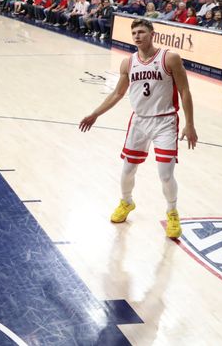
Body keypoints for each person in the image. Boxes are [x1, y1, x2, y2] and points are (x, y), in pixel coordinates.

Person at [79, 18, 197, 239]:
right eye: (134, 33)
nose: (137, 36)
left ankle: (172, 212)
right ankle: (126, 202)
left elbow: (185, 91)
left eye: (142, 32)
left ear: (153, 34)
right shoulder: (128, 63)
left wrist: (190, 124)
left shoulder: (169, 58)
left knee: (165, 174)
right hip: (139, 121)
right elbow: (117, 94)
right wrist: (95, 113)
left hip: (165, 121)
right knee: (127, 169)